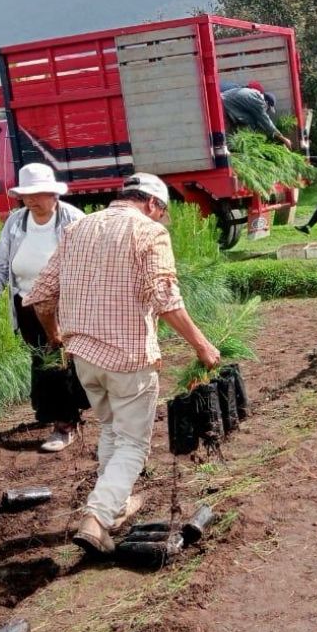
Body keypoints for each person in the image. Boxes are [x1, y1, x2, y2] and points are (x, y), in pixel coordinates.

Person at [23, 172, 221, 556]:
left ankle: (112, 508)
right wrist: (201, 344)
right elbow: (165, 297)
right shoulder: (148, 232)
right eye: (161, 213)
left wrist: (56, 335)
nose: (160, 220)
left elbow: (42, 296)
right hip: (128, 359)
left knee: (112, 431)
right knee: (133, 444)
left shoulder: (78, 228)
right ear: (152, 204)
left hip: (84, 358)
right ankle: (96, 519)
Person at [0, 163, 88, 452]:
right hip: (26, 305)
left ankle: (64, 425)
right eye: (27, 195)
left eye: (38, 194)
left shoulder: (73, 220)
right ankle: (58, 413)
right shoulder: (15, 223)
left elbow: (91, 263)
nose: (32, 200)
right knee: (44, 361)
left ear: (53, 194)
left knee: (62, 362)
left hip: (66, 305)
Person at [221, 84, 292, 149]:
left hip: (224, 105)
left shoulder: (254, 95)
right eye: (268, 109)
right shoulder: (258, 101)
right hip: (222, 107)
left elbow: (254, 121)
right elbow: (266, 121)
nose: (266, 111)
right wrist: (283, 138)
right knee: (222, 141)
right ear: (266, 103)